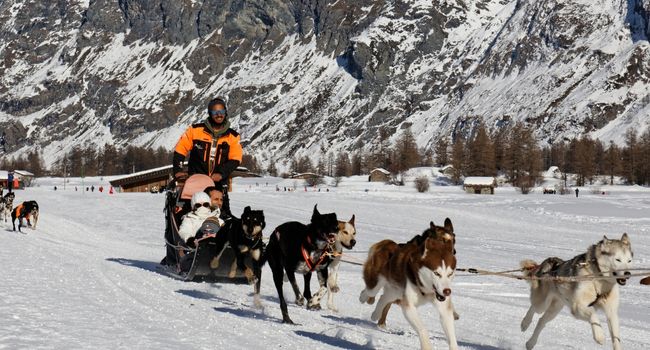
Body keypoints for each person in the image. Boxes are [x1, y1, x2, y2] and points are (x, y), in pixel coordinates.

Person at [172, 97, 243, 218]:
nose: (219, 115)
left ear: (226, 112)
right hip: (196, 181)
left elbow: (236, 159)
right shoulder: (195, 130)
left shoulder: (233, 136)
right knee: (191, 213)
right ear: (210, 114)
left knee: (223, 216)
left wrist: (221, 173)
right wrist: (178, 170)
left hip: (218, 184)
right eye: (215, 112)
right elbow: (180, 149)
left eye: (221, 111)